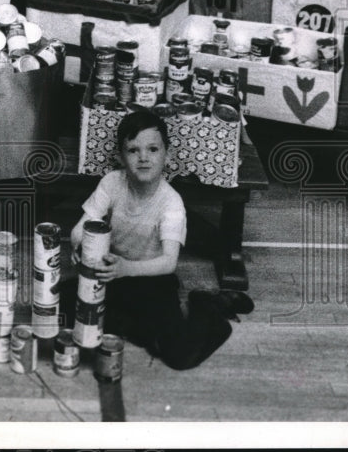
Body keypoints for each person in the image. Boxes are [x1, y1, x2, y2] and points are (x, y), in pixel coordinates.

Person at [68, 109, 254, 371]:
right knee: (64, 307)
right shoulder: (111, 182)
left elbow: (168, 262)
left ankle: (207, 306)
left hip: (152, 278)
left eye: (153, 149)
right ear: (121, 157)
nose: (143, 158)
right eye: (133, 150)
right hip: (112, 272)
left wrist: (126, 269)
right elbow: (82, 225)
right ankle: (134, 326)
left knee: (179, 355)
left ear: (167, 154)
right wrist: (78, 243)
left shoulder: (171, 203)